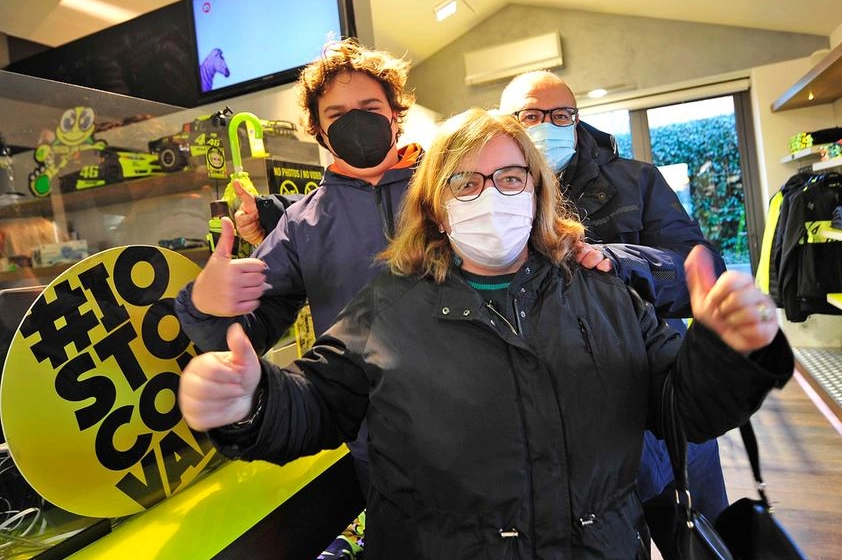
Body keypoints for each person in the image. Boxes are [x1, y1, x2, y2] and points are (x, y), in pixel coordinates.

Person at [178, 108, 793, 559]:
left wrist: (726, 351)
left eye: (509, 178)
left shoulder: (606, 294)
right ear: (437, 209)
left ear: (536, 192)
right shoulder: (386, 308)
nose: (490, 196)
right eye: (465, 182)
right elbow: (313, 405)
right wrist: (251, 403)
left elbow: (682, 406)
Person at [175, 38, 423, 558]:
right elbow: (249, 331)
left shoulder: (445, 189)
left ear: (396, 116)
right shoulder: (302, 222)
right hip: (376, 445)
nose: (355, 122)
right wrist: (210, 301)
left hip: (481, 420)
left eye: (370, 109)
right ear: (319, 129)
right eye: (337, 113)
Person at [498, 70, 732, 555]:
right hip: (572, 423)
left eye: (561, 114)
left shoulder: (636, 181)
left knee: (701, 535)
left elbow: (700, 270)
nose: (548, 124)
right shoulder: (493, 194)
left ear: (578, 120)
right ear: (508, 123)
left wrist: (621, 262)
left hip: (659, 387)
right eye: (532, 115)